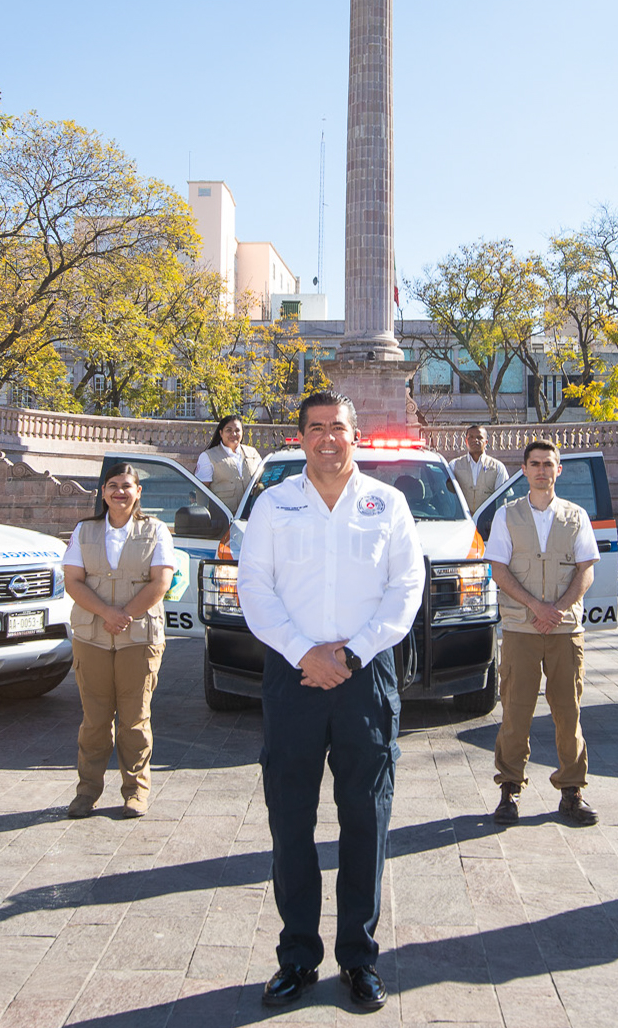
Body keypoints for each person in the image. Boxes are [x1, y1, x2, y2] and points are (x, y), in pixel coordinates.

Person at [238, 391, 424, 1013]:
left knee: (365, 821)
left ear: (355, 435)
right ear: (301, 437)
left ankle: (359, 960)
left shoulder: (387, 504)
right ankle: (297, 960)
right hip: (293, 678)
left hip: (365, 677)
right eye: (315, 428)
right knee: (290, 820)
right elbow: (255, 588)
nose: (327, 439)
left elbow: (406, 589)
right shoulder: (274, 503)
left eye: (337, 428)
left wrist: (351, 653)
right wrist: (302, 652)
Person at [488, 439, 600, 827]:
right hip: (522, 626)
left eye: (548, 464)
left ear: (558, 470)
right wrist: (537, 607)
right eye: (534, 464)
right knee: (516, 710)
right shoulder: (507, 515)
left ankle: (572, 793)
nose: (541, 470)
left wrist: (561, 607)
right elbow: (499, 569)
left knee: (568, 712)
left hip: (565, 629)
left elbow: (587, 568)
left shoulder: (576, 516)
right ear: (523, 470)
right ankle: (509, 790)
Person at [63, 462, 175, 819]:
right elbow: (73, 581)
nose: (119, 492)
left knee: (135, 720)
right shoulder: (84, 531)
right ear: (102, 492)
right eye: (112, 485)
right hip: (92, 638)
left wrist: (124, 613)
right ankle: (86, 793)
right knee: (94, 721)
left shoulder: (156, 531)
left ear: (138, 492)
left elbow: (161, 582)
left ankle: (135, 791)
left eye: (127, 486)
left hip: (139, 639)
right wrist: (107, 613)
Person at [195, 414, 263, 515]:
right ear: (221, 433)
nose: (233, 434)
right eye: (229, 430)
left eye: (237, 430)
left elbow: (263, 481)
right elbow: (202, 493)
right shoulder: (208, 457)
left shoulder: (253, 453)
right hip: (222, 521)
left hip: (252, 517)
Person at [448, 424, 508, 511]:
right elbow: (448, 497)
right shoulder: (454, 465)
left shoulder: (498, 467)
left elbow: (502, 499)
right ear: (466, 441)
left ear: (486, 442)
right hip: (463, 522)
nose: (475, 440)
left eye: (479, 437)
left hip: (488, 522)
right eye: (471, 437)